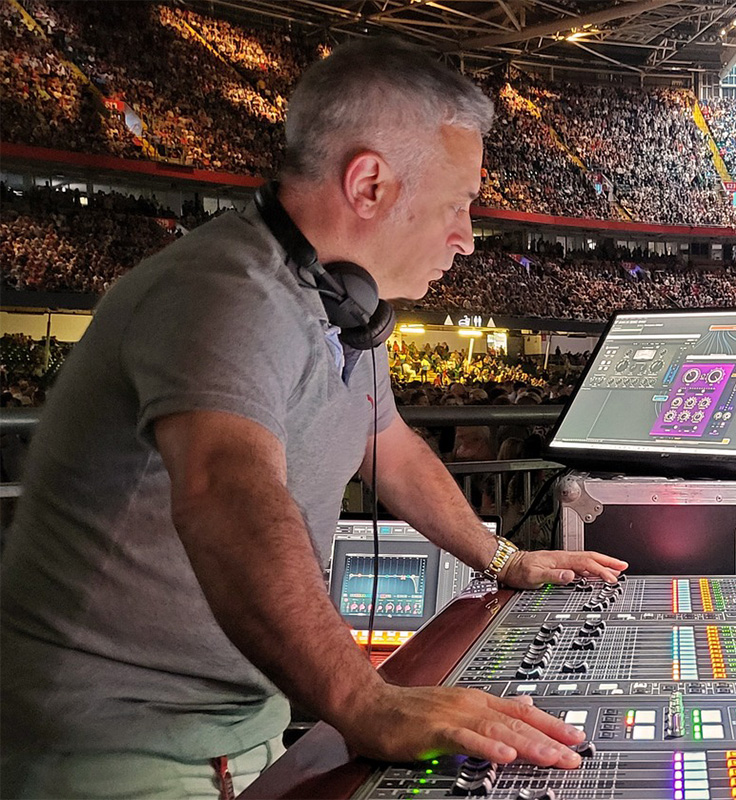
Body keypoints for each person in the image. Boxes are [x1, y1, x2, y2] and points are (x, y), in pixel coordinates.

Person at [0, 37, 627, 799]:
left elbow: (390, 450)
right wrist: (367, 703)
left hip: (238, 733)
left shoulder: (341, 307)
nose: (467, 238)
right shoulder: (227, 292)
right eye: (459, 204)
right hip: (112, 751)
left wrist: (503, 561)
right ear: (369, 185)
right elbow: (221, 489)